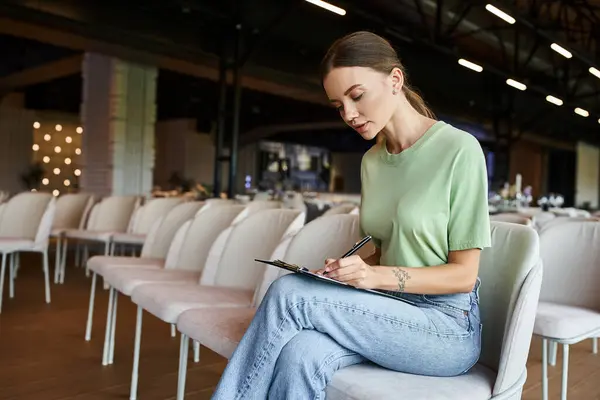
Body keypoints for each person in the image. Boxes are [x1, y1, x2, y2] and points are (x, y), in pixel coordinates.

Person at [211, 31, 491, 399]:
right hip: (387, 311)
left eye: (357, 96)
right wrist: (346, 272)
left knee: (290, 295)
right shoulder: (372, 161)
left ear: (395, 80)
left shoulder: (459, 149)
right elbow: (385, 249)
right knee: (300, 355)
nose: (350, 114)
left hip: (445, 327)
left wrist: (373, 275)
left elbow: (464, 276)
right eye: (338, 105)